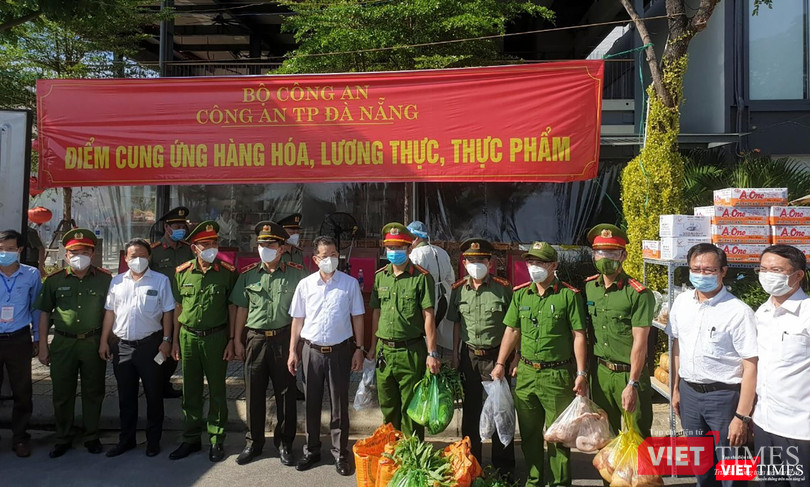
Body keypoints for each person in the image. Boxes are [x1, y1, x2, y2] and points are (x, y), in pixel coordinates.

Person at [492, 241, 588, 487]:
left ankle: (558, 483)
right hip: (526, 374)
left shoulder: (568, 295)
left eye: (540, 263)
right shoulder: (521, 293)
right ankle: (534, 481)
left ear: (553, 265)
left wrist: (581, 372)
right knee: (530, 435)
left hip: (557, 376)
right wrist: (501, 362)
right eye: (531, 262)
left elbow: (578, 334)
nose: (534, 267)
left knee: (558, 435)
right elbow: (512, 330)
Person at [669, 244, 758, 487]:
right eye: (696, 269)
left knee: (732, 467)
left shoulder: (738, 312)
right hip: (690, 395)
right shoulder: (682, 303)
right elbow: (678, 347)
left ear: (723, 271)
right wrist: (675, 389)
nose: (702, 274)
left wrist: (742, 415)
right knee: (702, 465)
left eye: (709, 270)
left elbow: (751, 365)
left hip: (724, 397)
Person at [288, 235, 365, 475]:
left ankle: (340, 454)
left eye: (334, 255)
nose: (330, 259)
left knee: (339, 405)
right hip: (311, 351)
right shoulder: (306, 285)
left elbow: (358, 317)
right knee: (311, 402)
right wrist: (293, 350)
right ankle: (311, 450)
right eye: (325, 256)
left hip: (340, 351)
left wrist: (359, 349)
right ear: (315, 259)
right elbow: (297, 319)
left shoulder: (349, 284)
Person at [230, 221, 305, 467]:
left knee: (286, 394)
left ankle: (284, 443)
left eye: (271, 244)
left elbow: (303, 312)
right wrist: (236, 340)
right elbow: (241, 309)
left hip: (284, 339)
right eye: (262, 244)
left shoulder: (297, 274)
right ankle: (254, 443)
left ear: (282, 248)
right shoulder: (248, 274)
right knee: (253, 393)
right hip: (256, 339)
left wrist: (298, 344)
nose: (265, 248)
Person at [35, 228, 112, 458]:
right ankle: (63, 437)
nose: (79, 255)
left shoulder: (105, 279)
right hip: (63, 343)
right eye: (74, 251)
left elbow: (112, 312)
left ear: (93, 253)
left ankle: (91, 435)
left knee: (94, 390)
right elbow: (44, 313)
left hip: (93, 341)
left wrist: (107, 341)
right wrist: (42, 345)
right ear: (66, 254)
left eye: (85, 251)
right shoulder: (54, 280)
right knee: (62, 392)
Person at [99, 238, 175, 458]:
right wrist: (104, 341)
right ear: (126, 258)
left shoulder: (160, 281)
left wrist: (167, 340)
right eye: (133, 256)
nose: (138, 260)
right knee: (126, 397)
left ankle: (153, 441)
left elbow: (168, 312)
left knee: (154, 395)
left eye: (142, 255)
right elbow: (109, 312)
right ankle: (127, 440)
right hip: (122, 347)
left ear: (149, 257)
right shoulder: (117, 282)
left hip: (150, 346)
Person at [169, 221, 237, 463]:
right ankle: (190, 438)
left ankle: (217, 439)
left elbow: (232, 309)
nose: (211, 248)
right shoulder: (182, 272)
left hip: (216, 338)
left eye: (214, 243)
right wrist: (175, 340)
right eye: (205, 244)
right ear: (193, 248)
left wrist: (231, 340)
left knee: (218, 390)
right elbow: (178, 307)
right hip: (188, 337)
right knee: (190, 390)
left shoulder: (228, 273)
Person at [447, 238, 515, 474]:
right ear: (464, 263)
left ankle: (503, 467)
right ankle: (472, 464)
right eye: (471, 260)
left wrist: (508, 361)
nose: (476, 264)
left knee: (500, 411)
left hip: (497, 356)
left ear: (490, 262)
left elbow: (514, 327)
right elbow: (456, 324)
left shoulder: (503, 288)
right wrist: (455, 355)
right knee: (471, 411)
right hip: (469, 357)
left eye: (481, 260)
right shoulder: (458, 290)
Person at [368, 222, 439, 439]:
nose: (394, 252)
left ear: (409, 249)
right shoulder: (380, 276)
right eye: (390, 247)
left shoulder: (421, 277)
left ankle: (411, 457)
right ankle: (392, 450)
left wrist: (432, 353)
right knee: (388, 405)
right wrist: (372, 348)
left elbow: (428, 316)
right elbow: (376, 313)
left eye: (399, 248)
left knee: (411, 409)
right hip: (384, 352)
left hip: (410, 351)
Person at [584, 224, 655, 438]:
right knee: (605, 434)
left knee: (638, 436)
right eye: (600, 253)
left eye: (611, 253)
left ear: (623, 255)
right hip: (601, 374)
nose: (605, 258)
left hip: (629, 374)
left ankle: (643, 473)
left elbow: (640, 344)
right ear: (594, 256)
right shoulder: (589, 288)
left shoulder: (638, 294)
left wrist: (632, 383)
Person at [752, 244, 810, 487]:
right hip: (764, 423)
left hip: (801, 430)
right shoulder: (761, 313)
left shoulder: (807, 313)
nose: (767, 275)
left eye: (775, 269)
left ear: (798, 276)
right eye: (763, 269)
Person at [0, 230, 42, 457]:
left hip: (18, 338)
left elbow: (36, 307)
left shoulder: (31, 275)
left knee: (22, 391)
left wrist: (37, 336)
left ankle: (20, 438)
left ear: (19, 250)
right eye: (0, 248)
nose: (4, 253)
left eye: (9, 249)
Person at [149, 205, 193, 399]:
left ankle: (165, 382)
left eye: (182, 225)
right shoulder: (154, 251)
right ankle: (155, 383)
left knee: (177, 350)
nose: (180, 228)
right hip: (159, 310)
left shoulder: (188, 249)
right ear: (167, 227)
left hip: (182, 307)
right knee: (159, 347)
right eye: (176, 225)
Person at [407, 221, 455, 357]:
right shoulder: (441, 252)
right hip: (444, 299)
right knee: (440, 336)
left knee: (426, 334)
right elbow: (451, 278)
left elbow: (412, 281)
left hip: (427, 300)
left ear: (415, 238)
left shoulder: (416, 255)